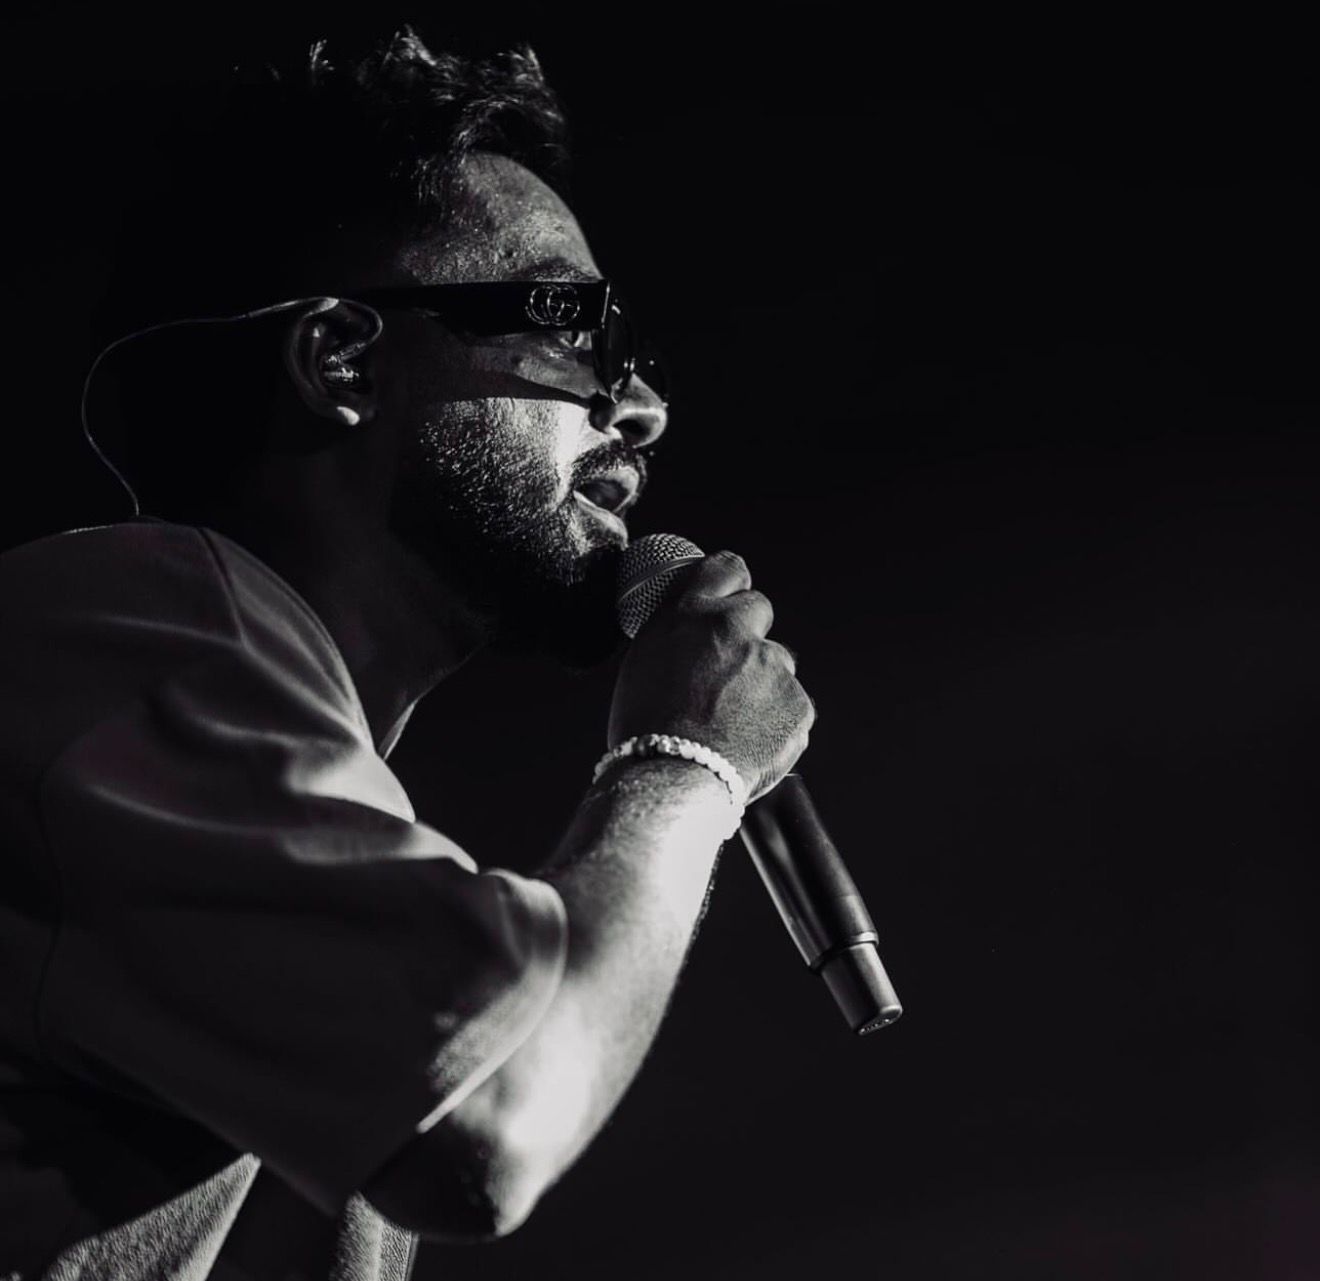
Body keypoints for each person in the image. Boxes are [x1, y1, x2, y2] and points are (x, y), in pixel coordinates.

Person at [0, 28, 813, 1280]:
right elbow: (491, 1121)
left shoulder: (297, 803)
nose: (642, 408)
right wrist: (683, 765)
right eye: (571, 325)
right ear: (343, 359)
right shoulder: (118, 626)